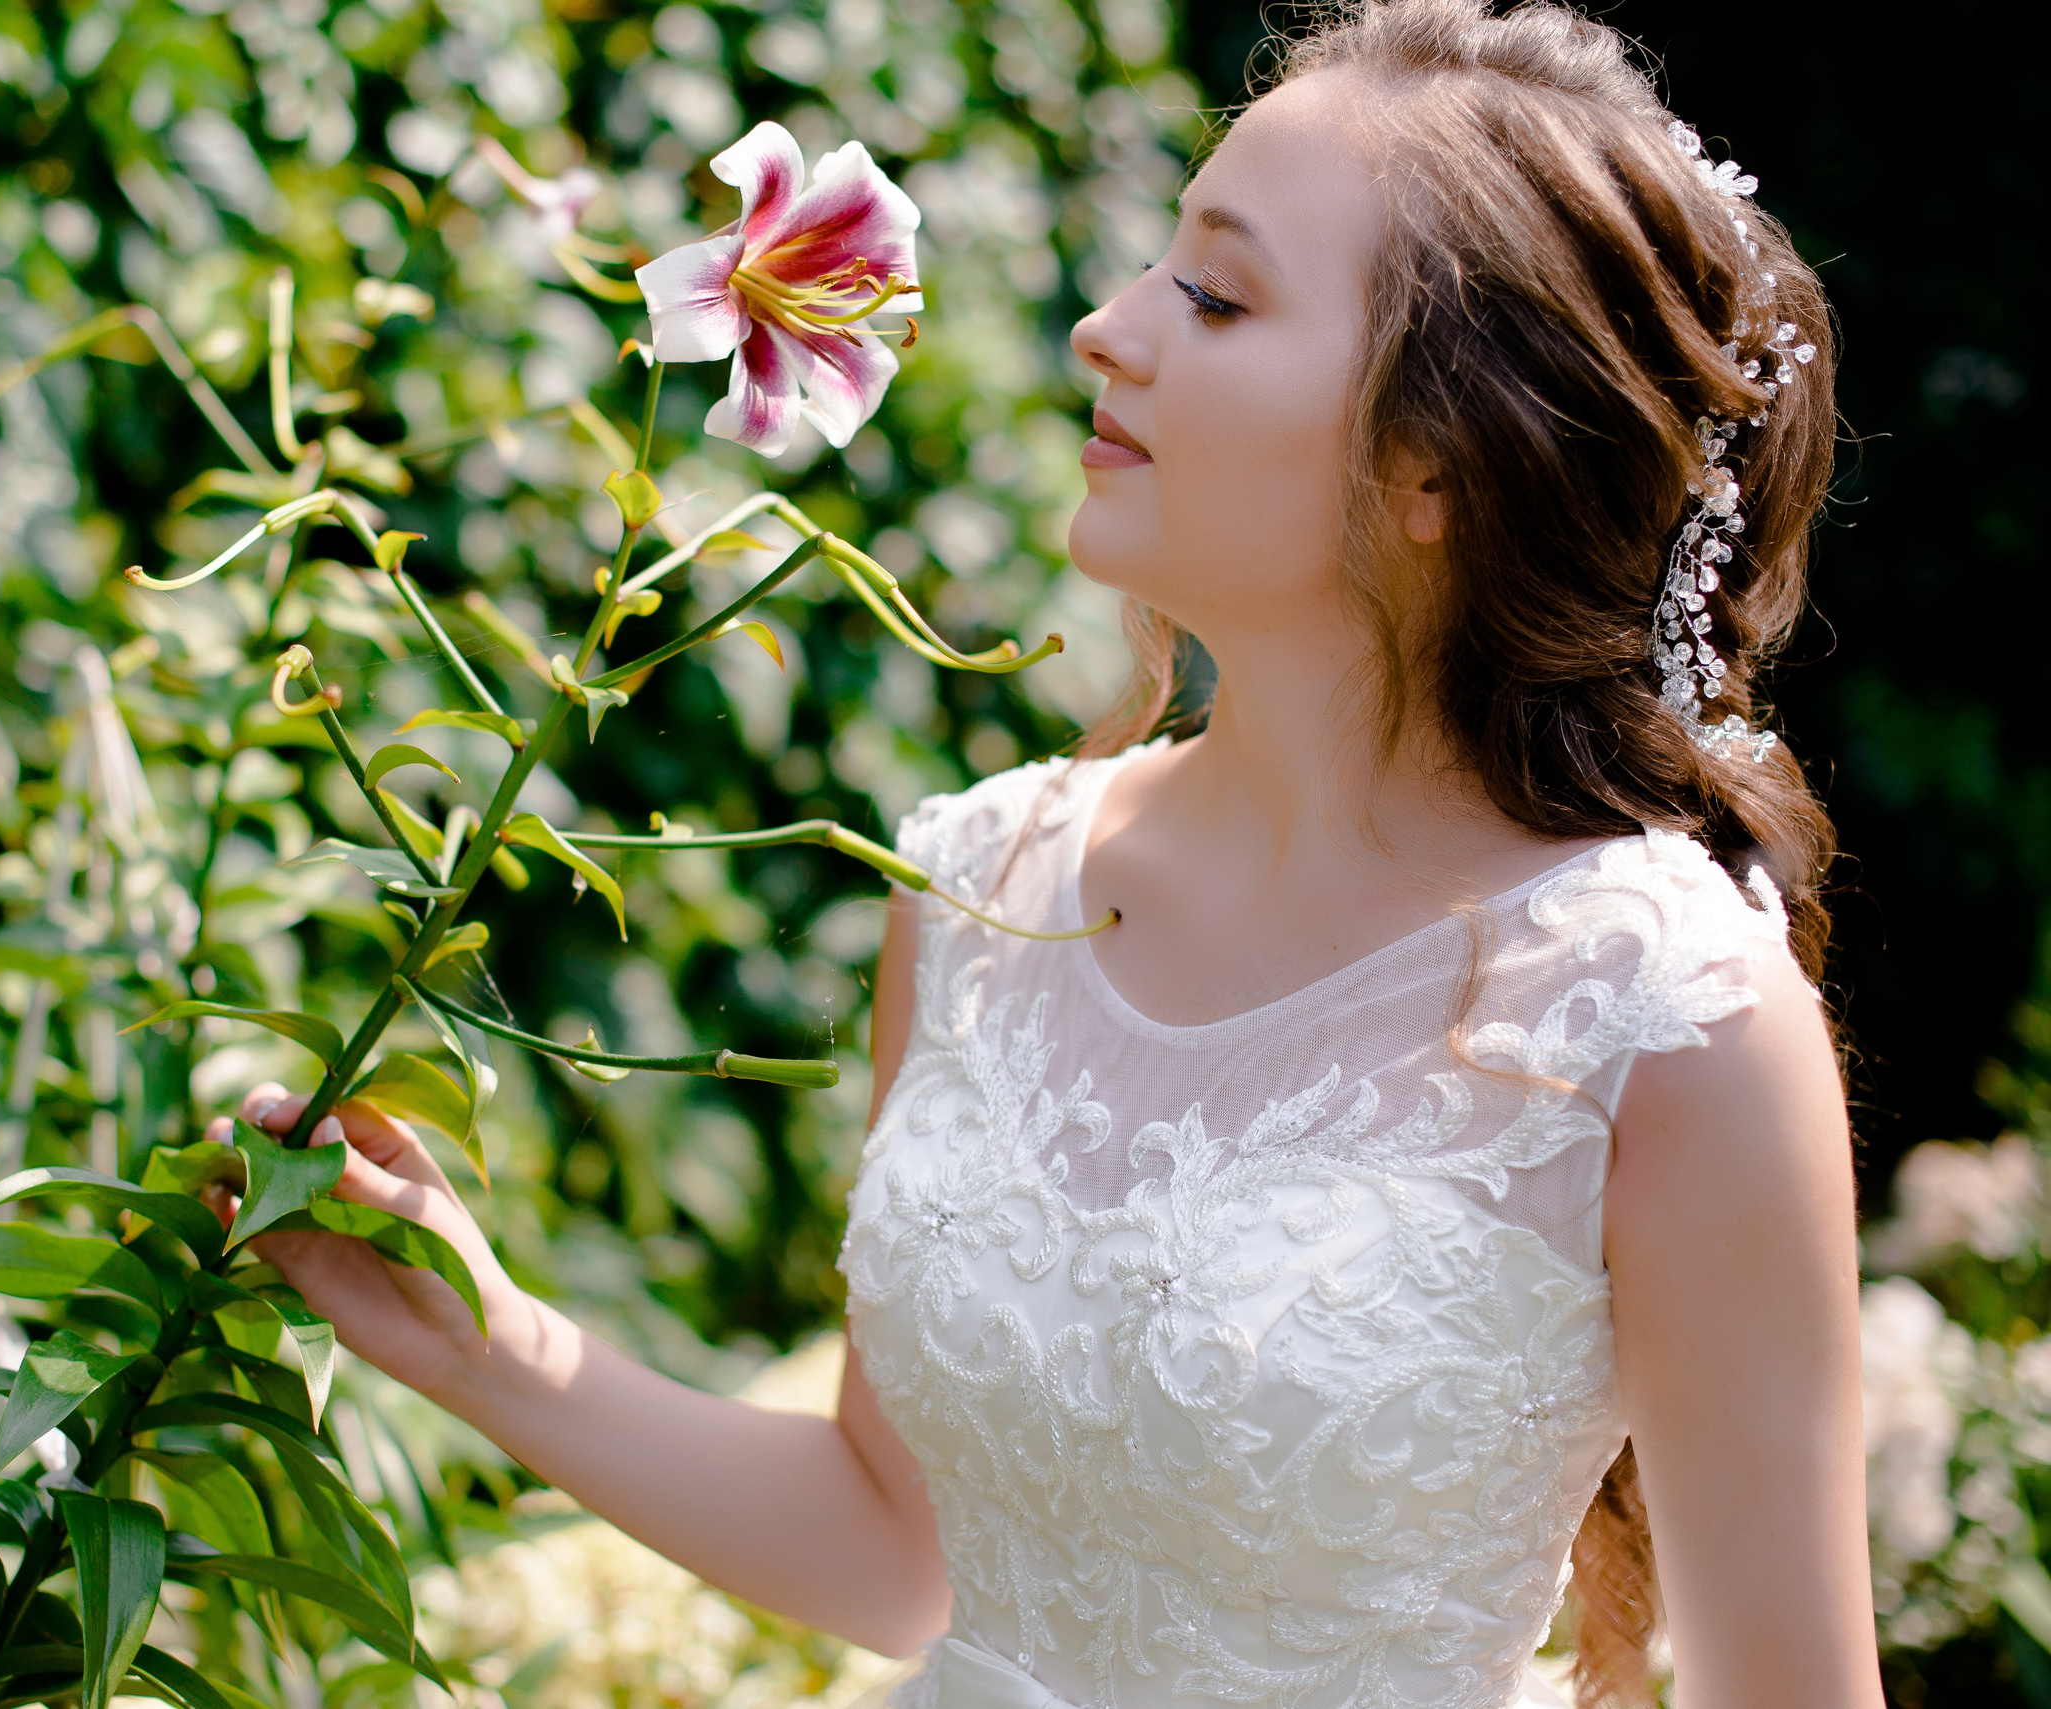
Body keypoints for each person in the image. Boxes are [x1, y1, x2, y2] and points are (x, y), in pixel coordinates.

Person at [218, 1, 1880, 1702]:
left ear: (1438, 461)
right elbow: (895, 1546)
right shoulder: (980, 889)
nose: (1106, 329)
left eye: (1217, 297)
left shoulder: (1662, 1016)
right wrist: (478, 1338)